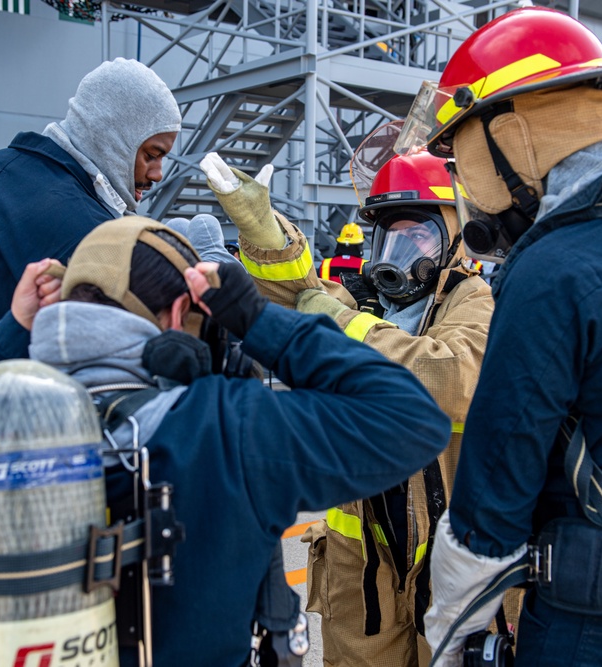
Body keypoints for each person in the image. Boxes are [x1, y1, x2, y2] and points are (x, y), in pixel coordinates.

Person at [0, 216, 452, 666]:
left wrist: (12, 329)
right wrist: (258, 319)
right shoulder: (224, 426)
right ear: (181, 316)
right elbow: (411, 418)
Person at [403, 7, 602, 666]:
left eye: (463, 153)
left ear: (513, 133)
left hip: (593, 630)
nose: (465, 183)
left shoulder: (554, 268)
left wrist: (449, 631)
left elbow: (490, 504)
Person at [199, 150, 495, 665]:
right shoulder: (379, 309)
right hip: (362, 571)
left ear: (456, 237)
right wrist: (266, 231)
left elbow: (448, 377)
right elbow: (302, 297)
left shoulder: (474, 303)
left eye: (417, 235)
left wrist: (341, 324)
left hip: (446, 568)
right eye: (390, 237)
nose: (399, 253)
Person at [0, 57, 181, 511]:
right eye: (151, 153)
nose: (156, 173)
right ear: (115, 135)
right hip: (34, 477)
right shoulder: (94, 234)